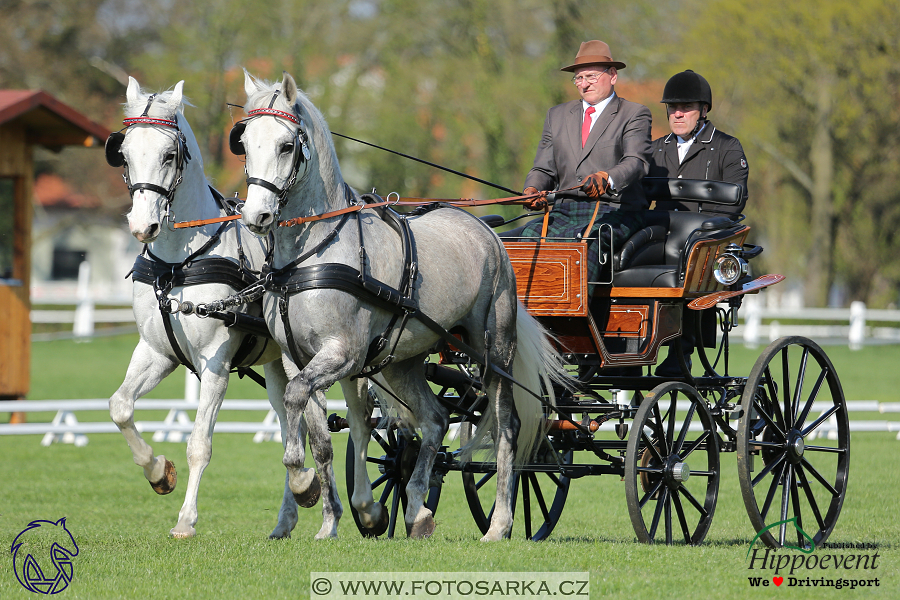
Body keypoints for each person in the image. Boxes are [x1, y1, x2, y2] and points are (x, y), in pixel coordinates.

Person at [516, 40, 652, 282]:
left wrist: (607, 178)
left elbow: (636, 161)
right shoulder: (556, 115)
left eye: (591, 76)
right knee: (526, 240)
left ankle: (576, 319)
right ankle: (528, 317)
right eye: (578, 78)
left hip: (615, 211)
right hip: (564, 211)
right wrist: (532, 189)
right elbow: (542, 167)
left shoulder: (634, 113)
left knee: (583, 246)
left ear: (612, 76)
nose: (584, 84)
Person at [649, 69, 750, 376]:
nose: (677, 114)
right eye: (672, 108)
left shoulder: (727, 148)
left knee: (692, 253)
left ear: (703, 109)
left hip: (707, 240)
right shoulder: (655, 149)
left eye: (686, 107)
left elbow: (736, 203)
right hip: (660, 234)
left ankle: (682, 348)